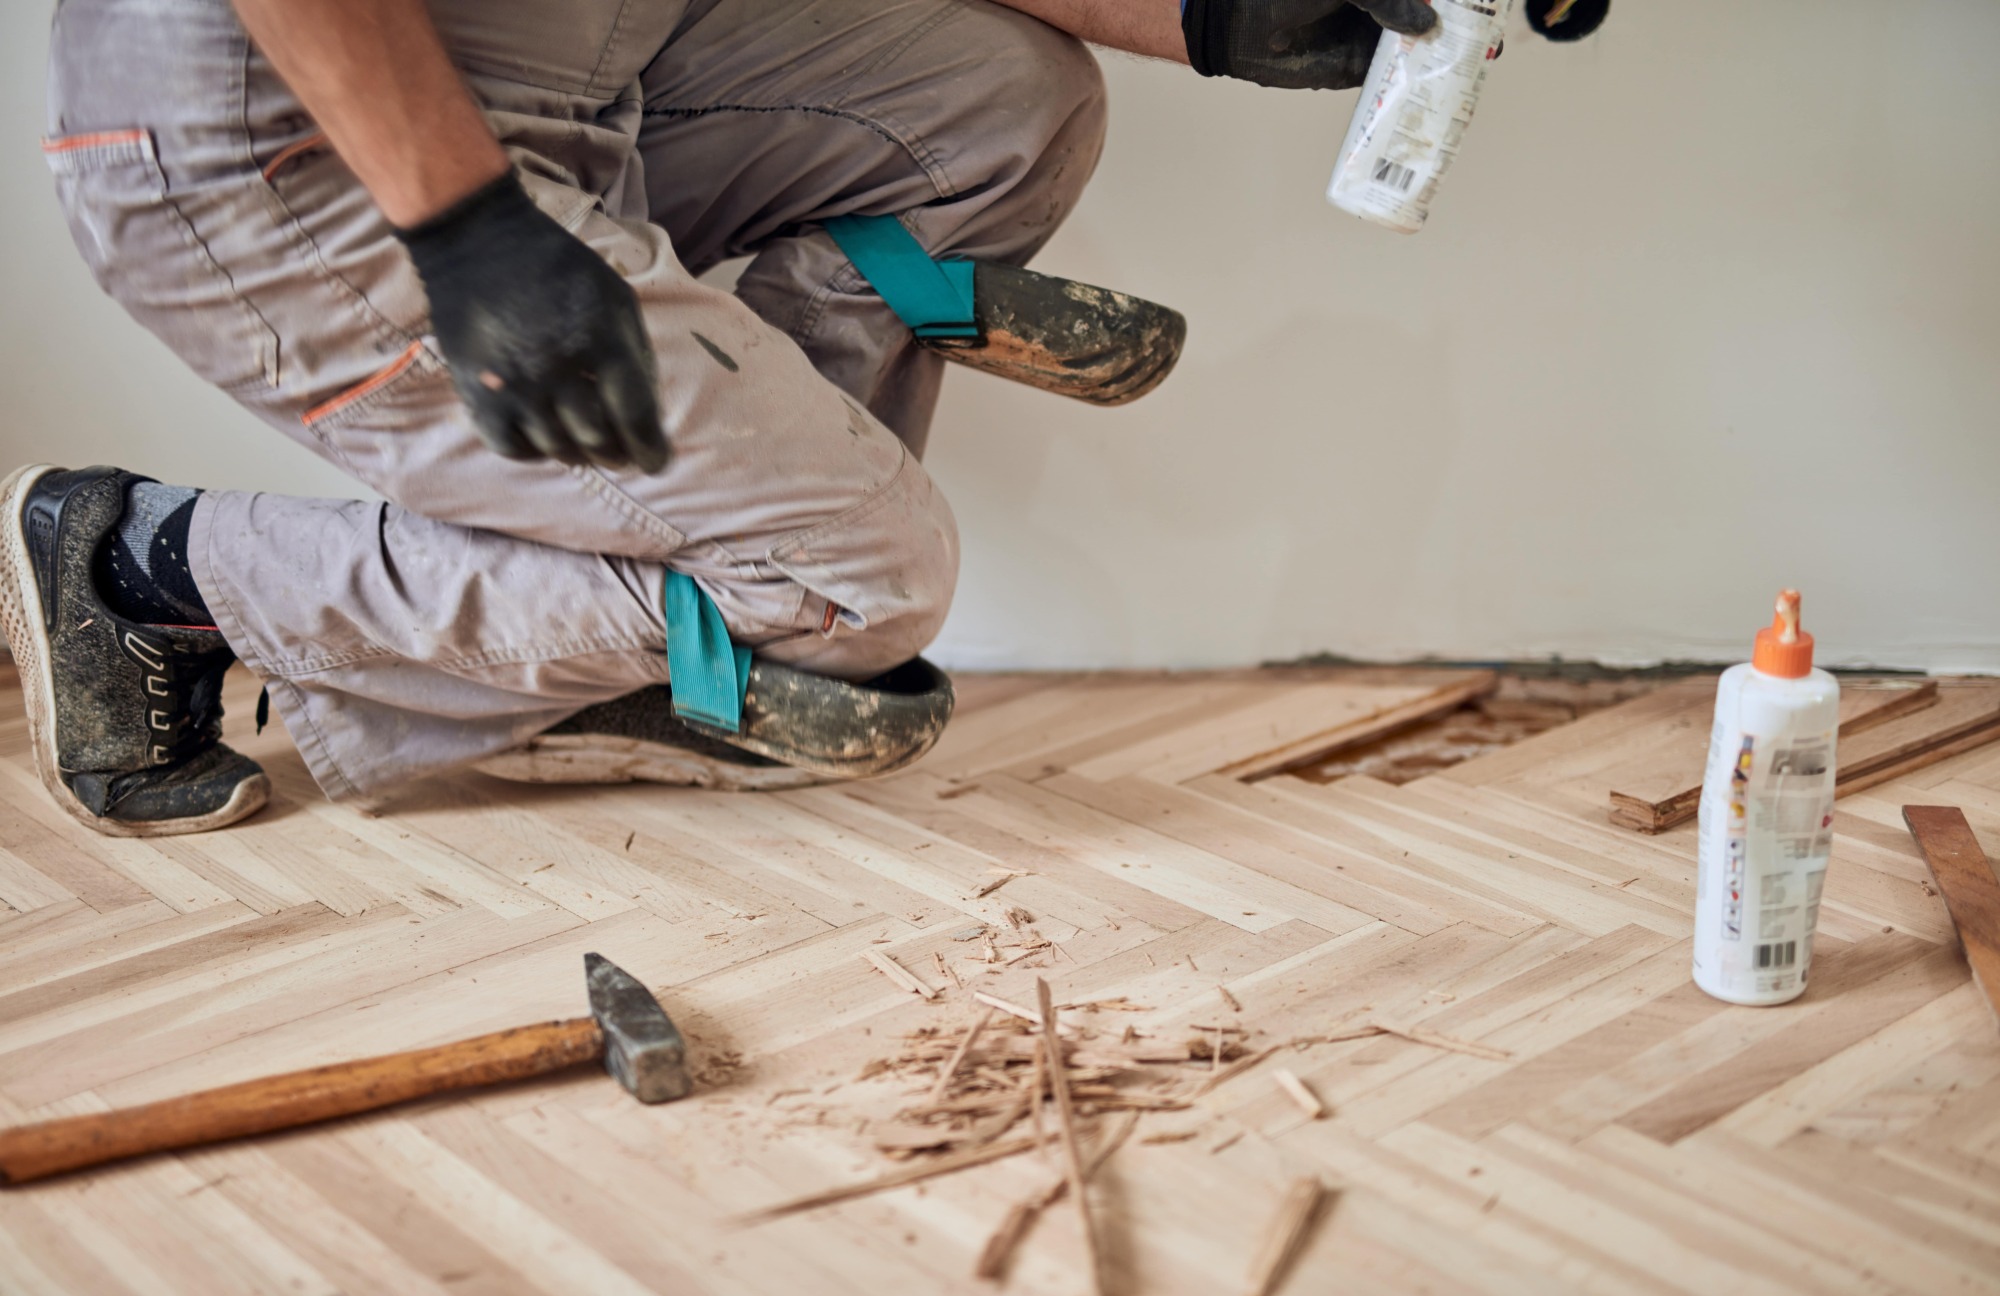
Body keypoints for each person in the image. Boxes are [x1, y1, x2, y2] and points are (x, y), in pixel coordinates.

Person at [3, 0, 1438, 837]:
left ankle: (727, 574)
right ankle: (147, 568)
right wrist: (462, 217)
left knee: (1006, 98)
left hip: (586, 88)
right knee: (869, 581)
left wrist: (1215, 11)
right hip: (286, 137)